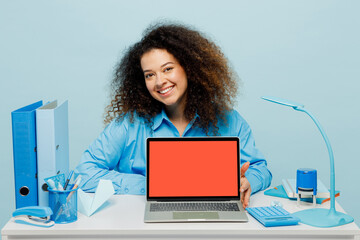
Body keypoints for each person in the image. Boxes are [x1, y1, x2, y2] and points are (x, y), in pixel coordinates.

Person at [75, 23, 272, 208]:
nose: (160, 81)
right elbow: (83, 173)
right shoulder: (130, 124)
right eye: (149, 75)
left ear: (189, 68)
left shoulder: (229, 121)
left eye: (167, 69)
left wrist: (248, 183)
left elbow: (260, 169)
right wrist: (151, 184)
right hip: (141, 224)